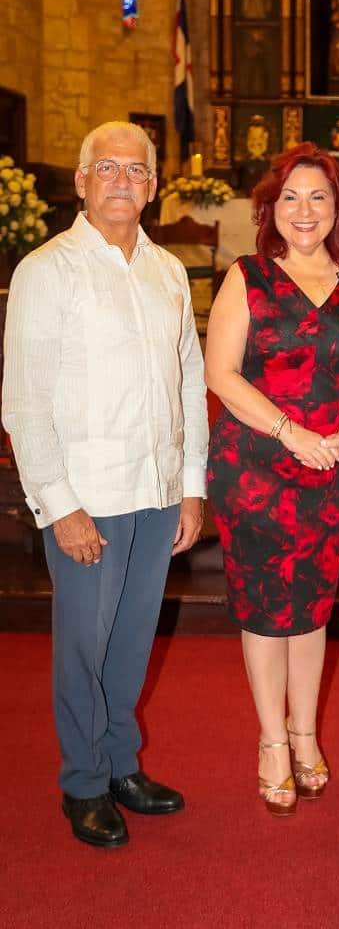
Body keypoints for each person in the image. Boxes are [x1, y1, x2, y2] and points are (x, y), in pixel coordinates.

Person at [2, 121, 209, 848]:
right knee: (83, 647)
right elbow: (24, 401)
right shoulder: (46, 270)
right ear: (82, 182)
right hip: (88, 496)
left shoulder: (168, 272)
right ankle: (84, 782)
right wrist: (61, 507)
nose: (122, 180)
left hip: (155, 492)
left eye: (136, 170)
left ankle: (121, 763)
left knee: (129, 645)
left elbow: (188, 378)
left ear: (153, 187)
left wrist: (190, 486)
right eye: (107, 168)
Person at [205, 142, 339, 816]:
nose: (303, 209)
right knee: (264, 610)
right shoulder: (246, 276)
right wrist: (291, 433)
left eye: (318, 196)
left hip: (328, 468)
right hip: (255, 465)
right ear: (270, 209)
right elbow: (219, 374)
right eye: (289, 197)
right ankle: (270, 741)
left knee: (311, 609)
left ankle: (305, 733)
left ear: (338, 207)